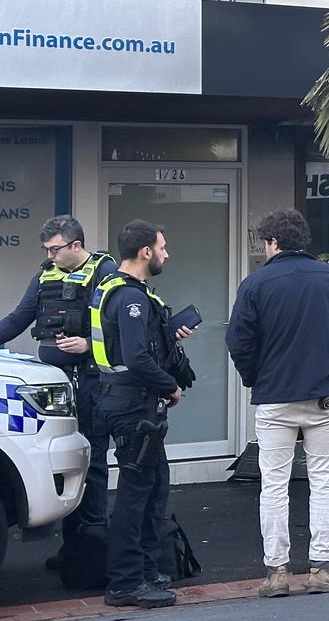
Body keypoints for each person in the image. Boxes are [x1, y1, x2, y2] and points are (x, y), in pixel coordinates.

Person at [225, 208, 329, 598]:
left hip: (274, 396)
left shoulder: (255, 284)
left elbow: (239, 342)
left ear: (272, 242)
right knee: (323, 479)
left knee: (274, 484)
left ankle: (276, 571)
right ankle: (322, 565)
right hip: (324, 394)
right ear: (304, 241)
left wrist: (256, 377)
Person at [0, 215, 117, 569]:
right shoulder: (45, 274)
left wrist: (88, 345)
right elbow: (19, 318)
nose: (50, 256)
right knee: (64, 462)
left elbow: (121, 330)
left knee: (92, 461)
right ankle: (71, 551)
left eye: (55, 249)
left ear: (76, 245)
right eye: (47, 250)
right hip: (53, 389)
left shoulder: (104, 272)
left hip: (91, 382)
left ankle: (90, 550)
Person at [91, 220, 195, 609]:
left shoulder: (125, 293)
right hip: (133, 406)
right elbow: (134, 358)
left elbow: (135, 346)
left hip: (134, 405)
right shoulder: (130, 298)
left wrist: (169, 333)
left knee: (154, 488)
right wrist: (170, 386)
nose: (166, 253)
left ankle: (148, 571)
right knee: (136, 494)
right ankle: (125, 583)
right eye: (163, 247)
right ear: (145, 252)